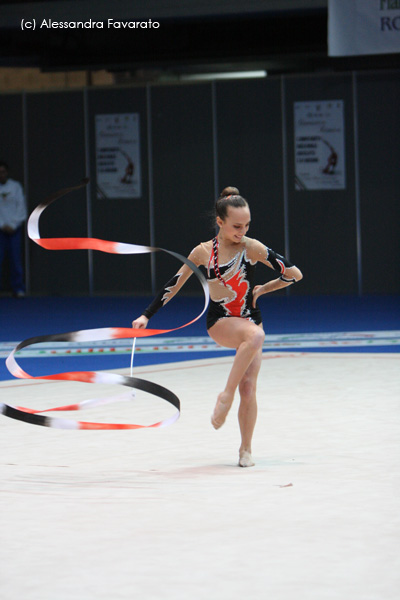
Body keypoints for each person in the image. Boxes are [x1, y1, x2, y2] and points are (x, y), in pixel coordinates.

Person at [132, 187, 303, 467]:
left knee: (249, 387)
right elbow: (174, 284)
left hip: (250, 319)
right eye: (237, 226)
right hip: (221, 322)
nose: (243, 231)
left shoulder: (252, 248)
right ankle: (225, 395)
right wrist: (146, 315)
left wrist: (263, 289)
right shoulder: (203, 252)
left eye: (247, 225)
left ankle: (245, 449)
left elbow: (294, 275)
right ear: (220, 222)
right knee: (256, 335)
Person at [0, 161, 27, 297]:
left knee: (16, 260)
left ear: (7, 173)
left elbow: (21, 207)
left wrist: (13, 224)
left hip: (14, 230)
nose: (1, 175)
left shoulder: (15, 187)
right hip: (0, 230)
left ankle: (18, 288)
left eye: (3, 172)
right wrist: (2, 224)